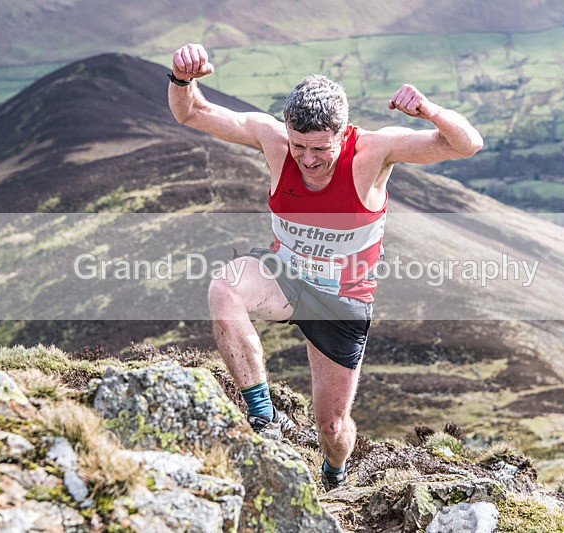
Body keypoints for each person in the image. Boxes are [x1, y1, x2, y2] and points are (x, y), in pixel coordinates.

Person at [168, 43, 483, 491]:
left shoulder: (374, 152)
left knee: (332, 428)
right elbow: (192, 113)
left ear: (343, 133)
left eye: (320, 148)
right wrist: (182, 78)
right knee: (225, 289)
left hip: (342, 299)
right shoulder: (273, 139)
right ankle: (264, 420)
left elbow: (466, 145)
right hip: (285, 275)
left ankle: (335, 472)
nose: (308, 159)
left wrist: (430, 112)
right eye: (299, 145)